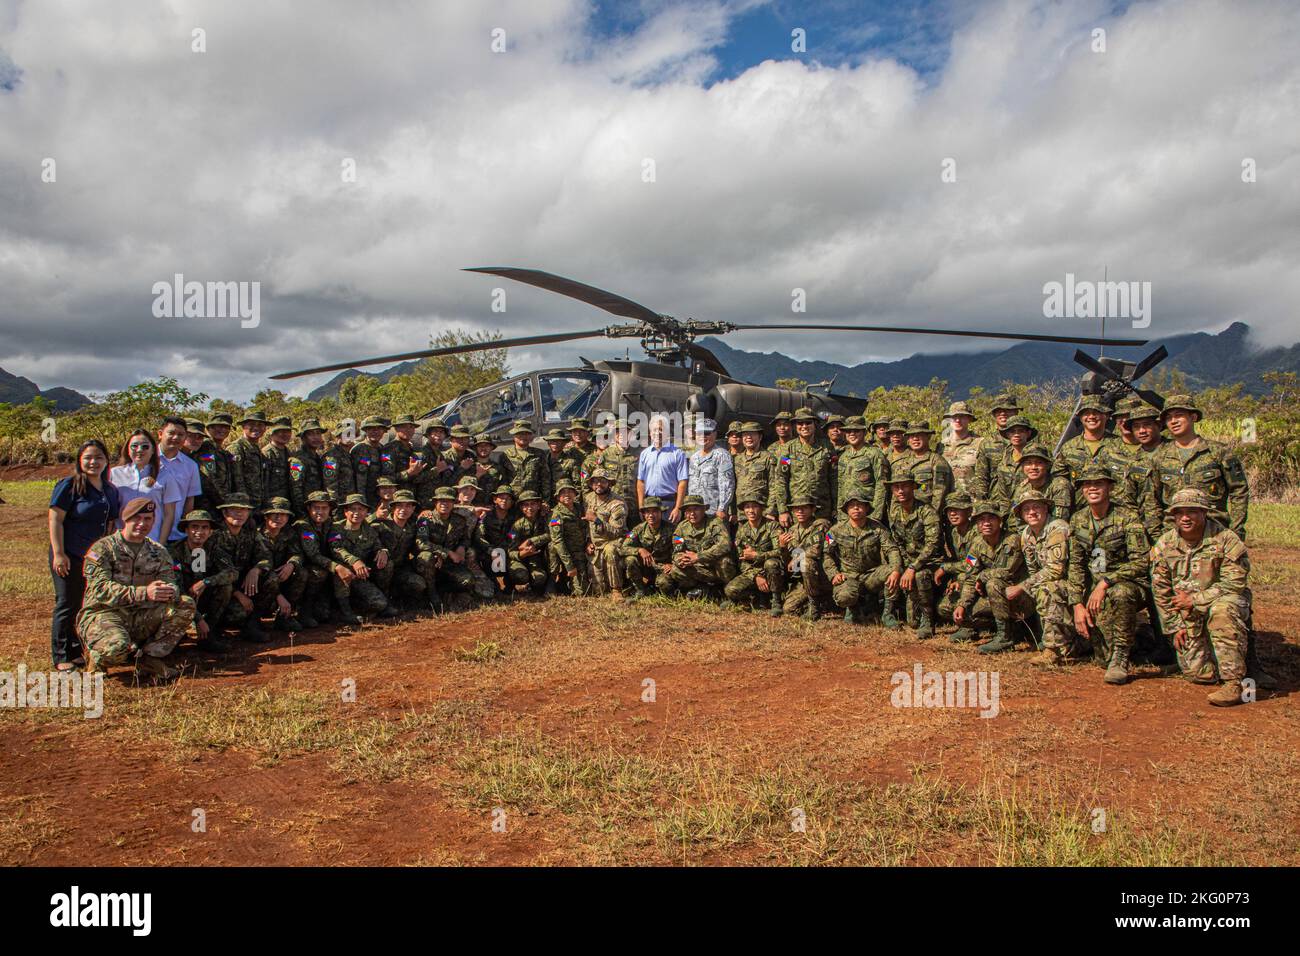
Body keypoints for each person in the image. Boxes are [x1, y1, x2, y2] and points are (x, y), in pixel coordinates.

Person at [1150, 489, 1252, 707]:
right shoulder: (1164, 545)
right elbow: (1161, 591)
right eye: (1180, 513)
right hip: (1187, 613)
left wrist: (1195, 600)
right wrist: (1175, 626)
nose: (1185, 518)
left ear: (1204, 513)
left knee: (1222, 611)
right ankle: (1218, 658)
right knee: (1199, 675)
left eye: (1192, 512)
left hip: (1223, 602)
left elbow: (1234, 584)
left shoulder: (1226, 540)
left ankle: (1234, 682)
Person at [78, 498, 195, 681]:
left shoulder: (157, 551)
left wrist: (168, 590)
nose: (142, 524)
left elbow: (170, 582)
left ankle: (149, 659)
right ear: (126, 519)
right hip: (105, 614)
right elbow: (100, 589)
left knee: (184, 605)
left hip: (141, 614)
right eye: (137, 518)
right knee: (116, 650)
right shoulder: (103, 548)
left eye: (148, 519)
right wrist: (144, 592)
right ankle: (97, 656)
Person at [1068, 464, 1150, 685]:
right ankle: (1140, 637)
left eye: (1098, 484)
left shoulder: (1126, 517)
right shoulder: (1078, 519)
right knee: (1101, 658)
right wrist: (1077, 604)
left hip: (1129, 586)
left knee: (1120, 593)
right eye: (1087, 484)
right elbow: (1076, 565)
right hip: (1096, 592)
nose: (1092, 488)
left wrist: (1105, 582)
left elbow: (1142, 561)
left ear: (1110, 487)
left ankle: (1121, 658)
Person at [49, 439, 120, 671]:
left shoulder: (109, 489)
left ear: (106, 461)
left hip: (94, 558)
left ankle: (76, 650)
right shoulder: (69, 485)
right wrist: (59, 553)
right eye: (88, 457)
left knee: (84, 603)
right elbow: (55, 519)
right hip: (69, 553)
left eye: (99, 457)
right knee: (66, 602)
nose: (93, 462)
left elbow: (110, 522)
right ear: (80, 460)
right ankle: (61, 656)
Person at [1147, 394, 1249, 539]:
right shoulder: (1159, 457)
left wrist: (1236, 530)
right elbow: (1152, 500)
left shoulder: (1218, 452)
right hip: (1173, 533)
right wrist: (1157, 536)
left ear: (1193, 417)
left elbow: (1239, 491)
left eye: (1179, 415)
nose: (1173, 421)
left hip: (1214, 531)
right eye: (1169, 417)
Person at [1011, 490, 1080, 667]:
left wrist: (1022, 586)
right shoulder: (1026, 534)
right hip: (1050, 581)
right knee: (1037, 589)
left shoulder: (1057, 528)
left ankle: (1052, 650)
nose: (1032, 512)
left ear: (1046, 508)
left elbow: (1056, 570)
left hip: (1073, 583)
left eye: (1036, 507)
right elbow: (1033, 569)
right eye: (1026, 509)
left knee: (1046, 589)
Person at [954, 501, 1027, 655]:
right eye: (981, 520)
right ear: (977, 524)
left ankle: (1005, 638)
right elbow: (970, 574)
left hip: (1020, 597)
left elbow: (1009, 572)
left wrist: (982, 576)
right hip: (997, 599)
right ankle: (977, 629)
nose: (986, 523)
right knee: (964, 611)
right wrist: (962, 605)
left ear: (1000, 521)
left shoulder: (1013, 540)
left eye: (991, 518)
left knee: (993, 583)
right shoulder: (976, 544)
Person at [821, 492, 900, 625]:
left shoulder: (878, 528)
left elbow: (892, 549)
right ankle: (853, 608)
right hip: (848, 577)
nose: (856, 508)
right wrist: (833, 574)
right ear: (846, 509)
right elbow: (826, 554)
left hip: (871, 576)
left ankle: (887, 614)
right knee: (844, 596)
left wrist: (896, 569)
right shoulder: (834, 531)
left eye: (860, 505)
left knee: (893, 571)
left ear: (867, 508)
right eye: (852, 506)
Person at [168, 509, 236, 652]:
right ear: (186, 530)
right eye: (194, 527)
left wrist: (206, 582)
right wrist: (198, 619)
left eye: (205, 527)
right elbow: (177, 589)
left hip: (204, 599)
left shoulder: (213, 548)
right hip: (181, 602)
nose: (200, 531)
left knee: (226, 587)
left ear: (210, 531)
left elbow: (232, 572)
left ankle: (208, 634)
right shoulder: (174, 552)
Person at [883, 475, 940, 638]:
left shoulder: (926, 511)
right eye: (896, 487)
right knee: (911, 621)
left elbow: (932, 545)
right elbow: (897, 543)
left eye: (905, 486)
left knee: (921, 576)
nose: (900, 491)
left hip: (929, 564)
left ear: (913, 487)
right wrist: (899, 567)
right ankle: (890, 611)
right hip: (908, 563)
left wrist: (912, 567)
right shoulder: (894, 512)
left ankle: (928, 620)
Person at [329, 494, 399, 623]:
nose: (357, 513)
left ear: (366, 512)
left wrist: (383, 551)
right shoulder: (336, 528)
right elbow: (336, 549)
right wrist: (354, 561)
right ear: (345, 512)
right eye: (353, 509)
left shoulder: (369, 530)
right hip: (338, 578)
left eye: (361, 509)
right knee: (342, 568)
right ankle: (345, 611)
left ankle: (379, 601)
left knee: (379, 602)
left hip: (361, 577)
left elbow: (378, 546)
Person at [110, 429, 184, 543]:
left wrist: (161, 544)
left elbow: (169, 515)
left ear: (153, 450)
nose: (139, 450)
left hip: (151, 542)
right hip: (120, 542)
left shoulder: (165, 476)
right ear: (127, 450)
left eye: (145, 447)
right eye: (134, 446)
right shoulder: (114, 474)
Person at [663, 495, 736, 600]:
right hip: (697, 568)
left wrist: (698, 556)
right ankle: (703, 589)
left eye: (696, 509)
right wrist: (681, 559)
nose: (692, 514)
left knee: (725, 562)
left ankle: (725, 592)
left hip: (714, 567)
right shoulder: (681, 528)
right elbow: (677, 550)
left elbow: (725, 544)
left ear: (703, 510)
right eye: (688, 510)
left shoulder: (715, 523)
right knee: (676, 570)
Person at [724, 494, 786, 615]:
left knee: (771, 563)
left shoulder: (772, 526)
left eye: (754, 507)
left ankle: (776, 601)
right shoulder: (742, 530)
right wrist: (756, 576)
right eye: (747, 507)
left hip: (772, 570)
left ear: (762, 508)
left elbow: (780, 552)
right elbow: (741, 559)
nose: (751, 511)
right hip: (753, 571)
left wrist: (757, 555)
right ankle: (756, 596)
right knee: (730, 590)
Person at [774, 408, 834, 524]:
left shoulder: (827, 447)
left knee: (828, 539)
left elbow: (834, 478)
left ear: (814, 425)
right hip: (797, 510)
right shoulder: (787, 449)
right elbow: (781, 479)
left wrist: (836, 507)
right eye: (800, 423)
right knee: (796, 540)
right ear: (795, 427)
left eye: (808, 423)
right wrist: (783, 511)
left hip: (822, 508)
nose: (804, 426)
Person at [778, 496, 830, 619]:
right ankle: (819, 601)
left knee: (806, 562)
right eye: (797, 509)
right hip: (804, 579)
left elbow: (819, 548)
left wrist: (798, 557)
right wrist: (783, 547)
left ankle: (815, 607)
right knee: (788, 609)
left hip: (823, 573)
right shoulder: (792, 530)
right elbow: (788, 564)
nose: (800, 512)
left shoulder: (822, 524)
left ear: (813, 510)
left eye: (804, 508)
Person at [620, 497, 676, 599]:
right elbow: (623, 548)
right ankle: (640, 590)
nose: (651, 515)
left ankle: (655, 588)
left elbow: (681, 548)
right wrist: (640, 550)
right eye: (647, 512)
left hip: (663, 568)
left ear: (661, 512)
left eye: (655, 511)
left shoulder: (673, 529)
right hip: (646, 567)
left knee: (665, 586)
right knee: (630, 560)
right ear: (644, 514)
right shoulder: (637, 529)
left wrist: (673, 564)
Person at [637, 414, 689, 522]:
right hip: (649, 504)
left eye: (661, 429)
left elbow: (682, 483)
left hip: (669, 504)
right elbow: (640, 482)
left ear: (667, 433)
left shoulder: (678, 454)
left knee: (672, 537)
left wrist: (678, 508)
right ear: (650, 433)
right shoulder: (644, 454)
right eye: (654, 430)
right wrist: (641, 506)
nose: (657, 433)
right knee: (650, 537)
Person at [157, 415, 201, 542]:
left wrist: (184, 527)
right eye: (171, 433)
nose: (175, 438)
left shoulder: (190, 466)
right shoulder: (147, 460)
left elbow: (189, 500)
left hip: (175, 534)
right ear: (160, 434)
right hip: (146, 531)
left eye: (181, 434)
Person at [585, 470, 628, 598]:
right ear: (591, 484)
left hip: (613, 542)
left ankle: (617, 589)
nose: (599, 484)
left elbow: (617, 531)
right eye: (595, 481)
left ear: (609, 484)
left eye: (603, 481)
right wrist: (588, 541)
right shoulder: (588, 499)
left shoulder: (617, 503)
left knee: (610, 550)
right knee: (599, 591)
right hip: (595, 544)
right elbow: (585, 523)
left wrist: (597, 520)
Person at [836, 415, 888, 521]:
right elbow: (841, 487)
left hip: (867, 513)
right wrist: (840, 513)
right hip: (848, 514)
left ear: (864, 432)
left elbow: (882, 485)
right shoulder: (843, 457)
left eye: (856, 431)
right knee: (832, 538)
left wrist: (876, 514)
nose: (852, 434)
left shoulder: (874, 453)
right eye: (849, 431)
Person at [687, 418, 735, 523]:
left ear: (715, 434)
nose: (703, 436)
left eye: (707, 433)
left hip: (714, 514)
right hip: (694, 514)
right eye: (699, 433)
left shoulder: (722, 455)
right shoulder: (693, 457)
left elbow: (727, 484)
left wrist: (722, 508)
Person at [549, 481, 592, 595]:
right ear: (558, 497)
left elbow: (588, 527)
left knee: (584, 591)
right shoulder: (556, 514)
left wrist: (588, 542)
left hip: (580, 552)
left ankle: (566, 582)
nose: (567, 495)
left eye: (570, 492)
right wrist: (569, 566)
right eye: (563, 492)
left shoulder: (580, 508)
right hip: (566, 553)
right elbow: (558, 541)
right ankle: (552, 583)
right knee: (552, 547)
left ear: (575, 494)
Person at [507, 490, 551, 597]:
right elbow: (510, 551)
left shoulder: (546, 519)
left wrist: (531, 541)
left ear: (539, 505)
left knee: (539, 578)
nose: (529, 508)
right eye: (526, 505)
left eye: (533, 504)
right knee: (521, 575)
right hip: (520, 559)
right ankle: (509, 584)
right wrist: (522, 554)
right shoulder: (517, 525)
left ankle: (538, 585)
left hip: (537, 560)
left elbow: (552, 534)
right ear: (521, 508)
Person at [940, 402, 988, 498]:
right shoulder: (941, 446)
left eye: (962, 416)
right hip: (948, 505)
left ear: (969, 419)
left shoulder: (981, 443)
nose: (958, 420)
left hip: (971, 503)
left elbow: (985, 478)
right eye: (954, 417)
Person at [732, 421, 778, 519]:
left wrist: (770, 511)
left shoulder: (768, 458)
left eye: (752, 434)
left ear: (760, 437)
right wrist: (733, 512)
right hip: (741, 513)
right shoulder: (736, 459)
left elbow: (774, 486)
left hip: (762, 512)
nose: (748, 437)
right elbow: (732, 486)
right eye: (745, 434)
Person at [227, 410, 270, 514]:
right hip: (243, 507)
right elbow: (237, 481)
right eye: (251, 424)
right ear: (243, 427)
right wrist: (245, 508)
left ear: (265, 429)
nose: (256, 428)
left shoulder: (258, 449)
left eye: (260, 425)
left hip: (258, 505)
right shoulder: (236, 448)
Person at [501, 420, 552, 504]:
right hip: (513, 501)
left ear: (531, 436)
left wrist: (545, 501)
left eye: (527, 434)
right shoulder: (506, 455)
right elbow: (503, 481)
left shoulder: (539, 454)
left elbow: (545, 479)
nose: (523, 436)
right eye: (520, 434)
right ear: (514, 436)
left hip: (533, 501)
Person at [263, 417, 295, 505]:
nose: (284, 434)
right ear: (271, 433)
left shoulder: (289, 453)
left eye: (288, 431)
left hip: (287, 502)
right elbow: (264, 484)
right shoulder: (267, 453)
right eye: (280, 431)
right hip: (272, 504)